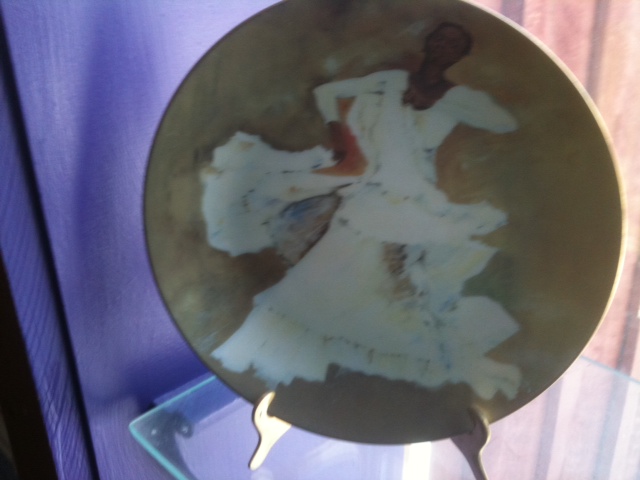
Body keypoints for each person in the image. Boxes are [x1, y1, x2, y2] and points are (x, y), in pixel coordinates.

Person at [202, 22, 522, 400]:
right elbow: (326, 93)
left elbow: (505, 122)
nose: (443, 46)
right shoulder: (391, 81)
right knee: (335, 271)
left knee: (385, 284)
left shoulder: (460, 97)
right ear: (428, 42)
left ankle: (373, 362)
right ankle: (295, 354)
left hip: (414, 198)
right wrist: (342, 136)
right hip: (373, 189)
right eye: (440, 38)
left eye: (454, 44)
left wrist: (449, 101)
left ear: (461, 55)